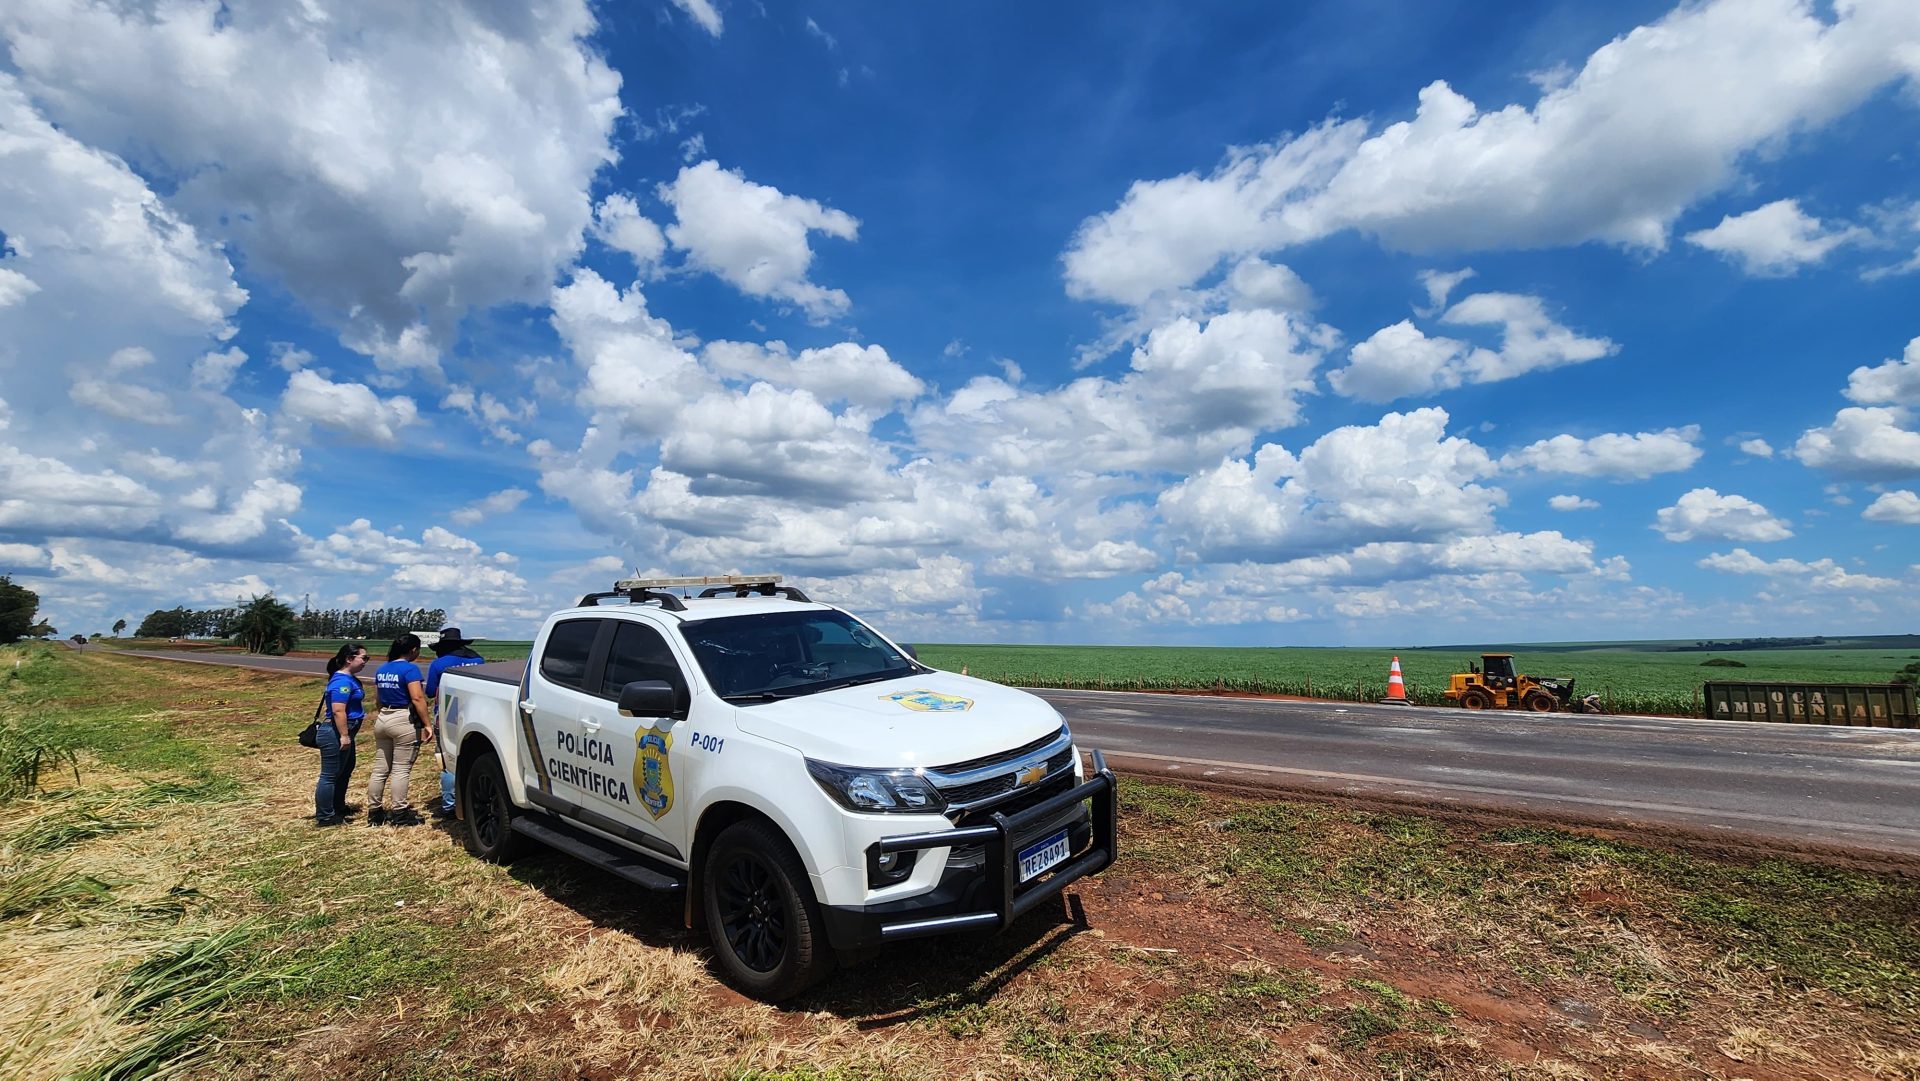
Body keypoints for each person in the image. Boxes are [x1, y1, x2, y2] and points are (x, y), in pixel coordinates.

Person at [367, 633, 434, 826]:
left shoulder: (382, 669)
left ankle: (374, 811)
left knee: (380, 769)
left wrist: (383, 713)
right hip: (403, 718)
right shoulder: (410, 669)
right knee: (401, 769)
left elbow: (378, 699)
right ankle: (399, 812)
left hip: (383, 717)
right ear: (413, 650)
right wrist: (427, 724)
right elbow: (417, 698)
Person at [424, 626, 487, 819]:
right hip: (478, 714)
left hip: (449, 713)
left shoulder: (439, 664)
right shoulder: (478, 660)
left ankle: (449, 805)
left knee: (448, 759)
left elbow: (430, 691)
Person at [315, 643, 368, 827]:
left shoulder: (350, 679)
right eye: (363, 658)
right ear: (349, 659)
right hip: (335, 733)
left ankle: (338, 807)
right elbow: (338, 711)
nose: (365, 662)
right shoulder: (341, 682)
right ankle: (325, 816)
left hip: (346, 732)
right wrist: (344, 736)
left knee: (345, 771)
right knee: (329, 775)